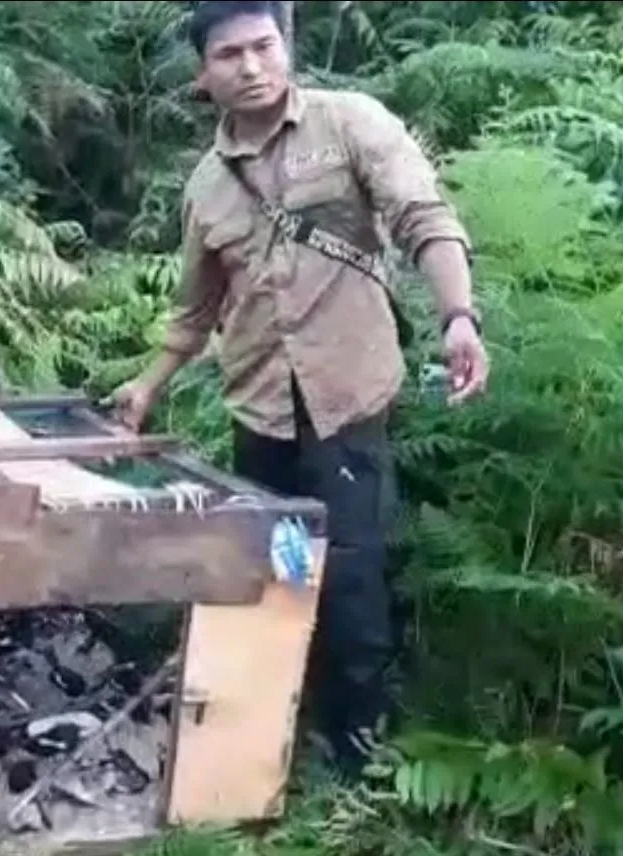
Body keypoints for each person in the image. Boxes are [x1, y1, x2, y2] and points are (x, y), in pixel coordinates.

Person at [106, 1, 490, 776]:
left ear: (285, 48)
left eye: (263, 46)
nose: (250, 66)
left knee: (349, 574)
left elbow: (424, 218)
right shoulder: (207, 187)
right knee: (271, 567)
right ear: (203, 74)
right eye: (229, 55)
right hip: (260, 406)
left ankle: (359, 751)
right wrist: (146, 387)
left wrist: (458, 316)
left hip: (347, 397)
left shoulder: (349, 124)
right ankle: (269, 729)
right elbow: (195, 311)